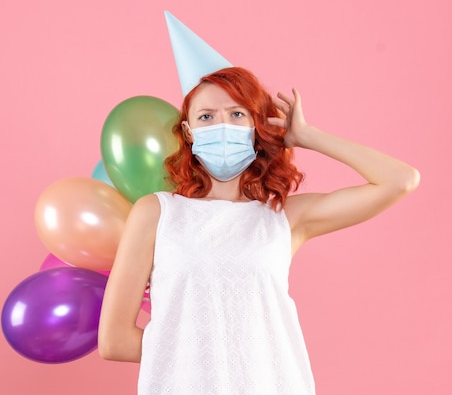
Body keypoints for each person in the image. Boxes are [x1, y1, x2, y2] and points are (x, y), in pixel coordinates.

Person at [98, 66, 420, 394]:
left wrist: (308, 137)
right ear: (188, 131)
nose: (222, 125)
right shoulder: (157, 213)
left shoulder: (285, 217)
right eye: (207, 117)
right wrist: (203, 364)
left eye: (237, 114)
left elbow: (400, 180)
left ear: (255, 127)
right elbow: (114, 340)